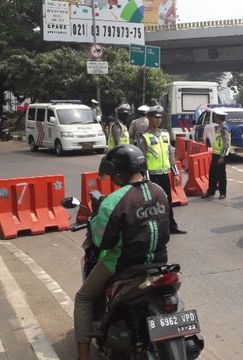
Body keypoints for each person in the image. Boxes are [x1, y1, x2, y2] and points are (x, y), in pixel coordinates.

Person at [74, 145, 170, 360]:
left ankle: (83, 357)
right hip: (159, 262)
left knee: (83, 298)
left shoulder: (113, 201)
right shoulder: (160, 191)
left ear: (118, 172)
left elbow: (102, 242)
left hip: (122, 265)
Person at [137, 105, 187, 234]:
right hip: (151, 176)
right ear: (149, 118)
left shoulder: (165, 133)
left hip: (165, 174)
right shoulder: (143, 137)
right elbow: (142, 160)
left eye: (160, 117)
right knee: (153, 205)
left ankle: (171, 226)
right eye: (155, 117)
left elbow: (170, 155)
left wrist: (176, 173)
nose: (158, 120)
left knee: (167, 202)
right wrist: (146, 178)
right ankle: (156, 229)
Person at [202, 110, 230, 199]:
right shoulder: (219, 127)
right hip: (215, 153)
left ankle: (222, 193)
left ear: (219, 118)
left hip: (221, 155)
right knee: (212, 173)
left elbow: (226, 143)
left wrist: (222, 156)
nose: (214, 118)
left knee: (221, 175)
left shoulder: (224, 129)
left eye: (215, 117)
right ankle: (211, 191)